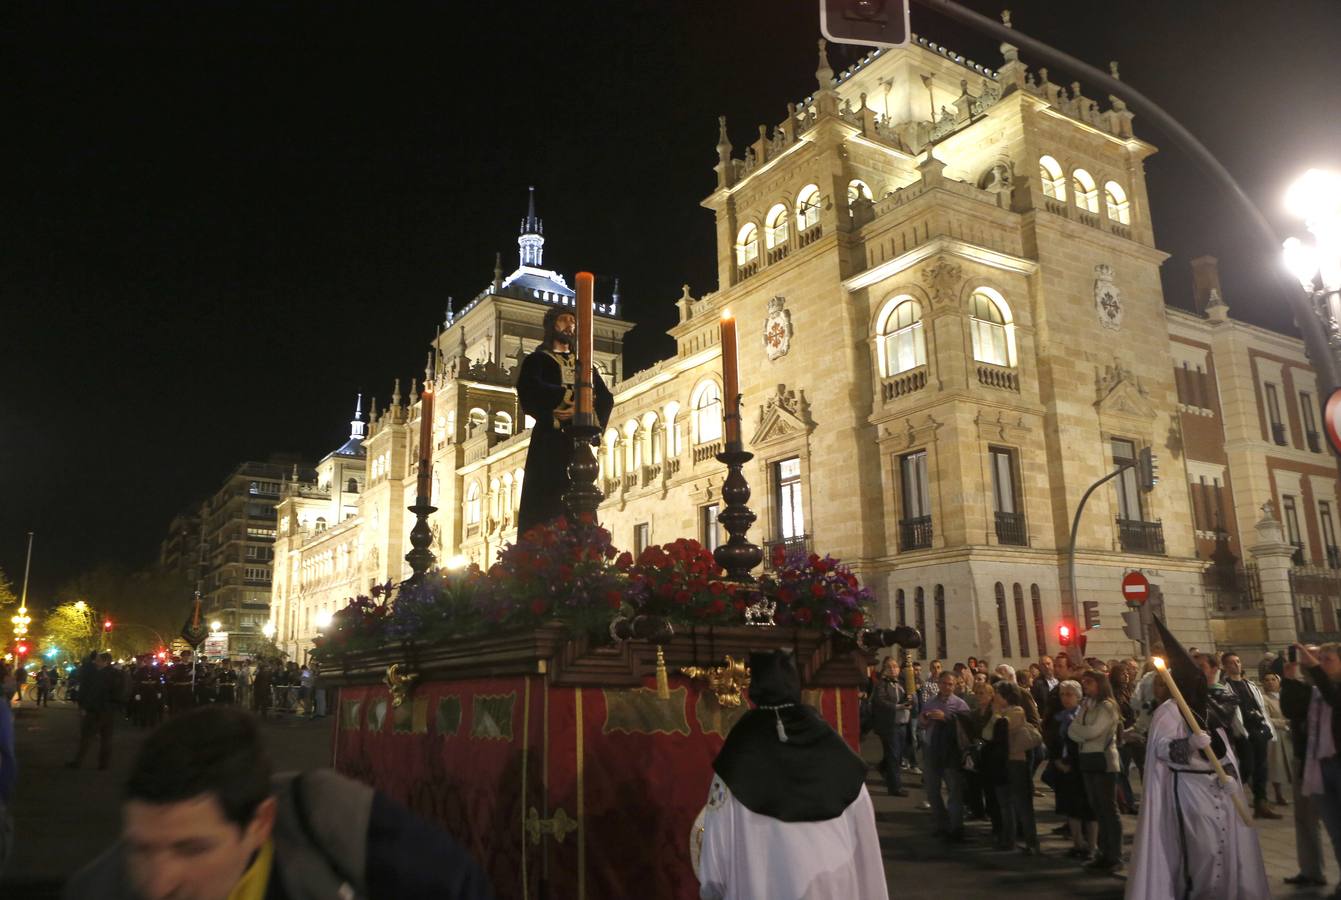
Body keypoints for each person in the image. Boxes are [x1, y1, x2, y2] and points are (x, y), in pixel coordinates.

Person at [64, 705, 492, 899]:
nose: (158, 885)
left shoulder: (332, 823)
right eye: (141, 848)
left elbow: (457, 884)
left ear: (260, 822)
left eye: (192, 849)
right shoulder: (96, 889)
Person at [696, 650, 887, 900]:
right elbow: (866, 847)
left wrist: (712, 891)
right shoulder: (839, 755)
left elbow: (715, 859)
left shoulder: (737, 758)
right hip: (833, 888)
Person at [1127, 618, 1268, 899]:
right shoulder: (1169, 711)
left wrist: (1229, 775)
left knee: (1223, 848)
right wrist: (1188, 744)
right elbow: (1161, 750)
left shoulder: (1211, 706)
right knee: (1200, 852)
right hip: (1189, 789)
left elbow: (1223, 750)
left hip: (1217, 787)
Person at [515, 305, 614, 534]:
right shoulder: (538, 360)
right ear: (552, 325)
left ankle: (583, 556)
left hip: (578, 444)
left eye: (573, 321)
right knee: (546, 501)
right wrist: (566, 401)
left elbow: (605, 398)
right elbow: (530, 390)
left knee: (581, 497)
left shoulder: (585, 365)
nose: (570, 325)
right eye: (564, 320)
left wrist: (585, 417)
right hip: (549, 442)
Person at [1280, 645, 1332, 888]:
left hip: (1331, 762)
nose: (1312, 662)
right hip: (1306, 759)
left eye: (1320, 658)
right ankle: (1311, 870)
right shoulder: (1303, 689)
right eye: (1309, 657)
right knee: (1304, 818)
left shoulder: (1332, 690)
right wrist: (1288, 680)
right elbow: (1290, 709)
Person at [1067, 669, 1123, 873]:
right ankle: (1103, 852)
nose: (1086, 687)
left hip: (1104, 762)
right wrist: (1082, 733)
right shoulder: (1087, 705)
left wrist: (1081, 733)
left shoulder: (1107, 707)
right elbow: (1072, 730)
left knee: (1108, 809)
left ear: (1099, 684)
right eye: (1084, 683)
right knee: (1097, 808)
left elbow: (1091, 731)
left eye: (1089, 683)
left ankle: (1114, 855)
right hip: (1088, 760)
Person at [1221, 650, 1282, 819]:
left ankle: (1261, 803)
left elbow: (1261, 708)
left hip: (1258, 730)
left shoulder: (1251, 685)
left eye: (1238, 661)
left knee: (1262, 767)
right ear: (1225, 666)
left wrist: (1268, 728)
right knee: (1247, 766)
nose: (1236, 664)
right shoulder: (1225, 687)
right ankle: (1232, 797)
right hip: (1242, 732)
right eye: (1232, 662)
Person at [983, 681, 1041, 854]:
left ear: (1006, 696)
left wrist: (996, 717)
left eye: (998, 694)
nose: (994, 696)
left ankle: (1032, 842)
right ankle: (1008, 839)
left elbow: (1001, 729)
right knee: (1004, 803)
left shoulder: (1017, 711)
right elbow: (986, 734)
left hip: (1016, 761)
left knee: (1022, 804)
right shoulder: (997, 713)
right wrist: (995, 716)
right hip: (1000, 763)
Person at [1042, 679, 1095, 860]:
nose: (1066, 698)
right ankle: (1077, 843)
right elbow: (1053, 741)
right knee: (1071, 807)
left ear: (1078, 696)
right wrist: (1057, 760)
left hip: (1081, 765)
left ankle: (1092, 846)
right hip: (1064, 766)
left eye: (1070, 694)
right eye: (1063, 694)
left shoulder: (1084, 715)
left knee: (1087, 808)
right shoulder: (1059, 717)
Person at [919, 670, 971, 841]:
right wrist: (925, 719)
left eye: (950, 684)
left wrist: (946, 717)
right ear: (938, 684)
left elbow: (967, 726)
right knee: (932, 790)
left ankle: (956, 827)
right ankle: (941, 824)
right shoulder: (930, 702)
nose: (947, 687)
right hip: (932, 747)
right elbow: (922, 722)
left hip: (951, 751)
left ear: (955, 685)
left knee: (954, 790)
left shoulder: (960, 704)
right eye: (944, 683)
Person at [67, 652, 119, 770]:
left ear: (105, 662)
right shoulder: (116, 674)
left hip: (96, 711)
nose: (96, 662)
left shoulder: (99, 675)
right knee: (106, 739)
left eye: (98, 660)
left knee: (87, 737)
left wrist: (84, 707)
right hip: (109, 711)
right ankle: (103, 764)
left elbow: (93, 693)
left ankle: (78, 762)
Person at [870, 656, 911, 797]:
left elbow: (910, 696)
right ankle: (895, 787)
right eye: (890, 667)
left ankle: (882, 767)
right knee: (894, 755)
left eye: (895, 666)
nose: (893, 669)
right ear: (885, 670)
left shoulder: (902, 682)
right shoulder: (882, 684)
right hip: (890, 723)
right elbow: (880, 701)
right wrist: (898, 706)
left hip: (903, 722)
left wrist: (911, 701)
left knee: (898, 755)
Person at [1261, 672, 1291, 807]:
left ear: (1279, 682)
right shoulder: (1263, 699)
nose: (1270, 682)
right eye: (1267, 680)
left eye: (1273, 679)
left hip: (1290, 734)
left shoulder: (1285, 696)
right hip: (1276, 734)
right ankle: (1278, 794)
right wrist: (1285, 723)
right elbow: (1266, 718)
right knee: (1277, 765)